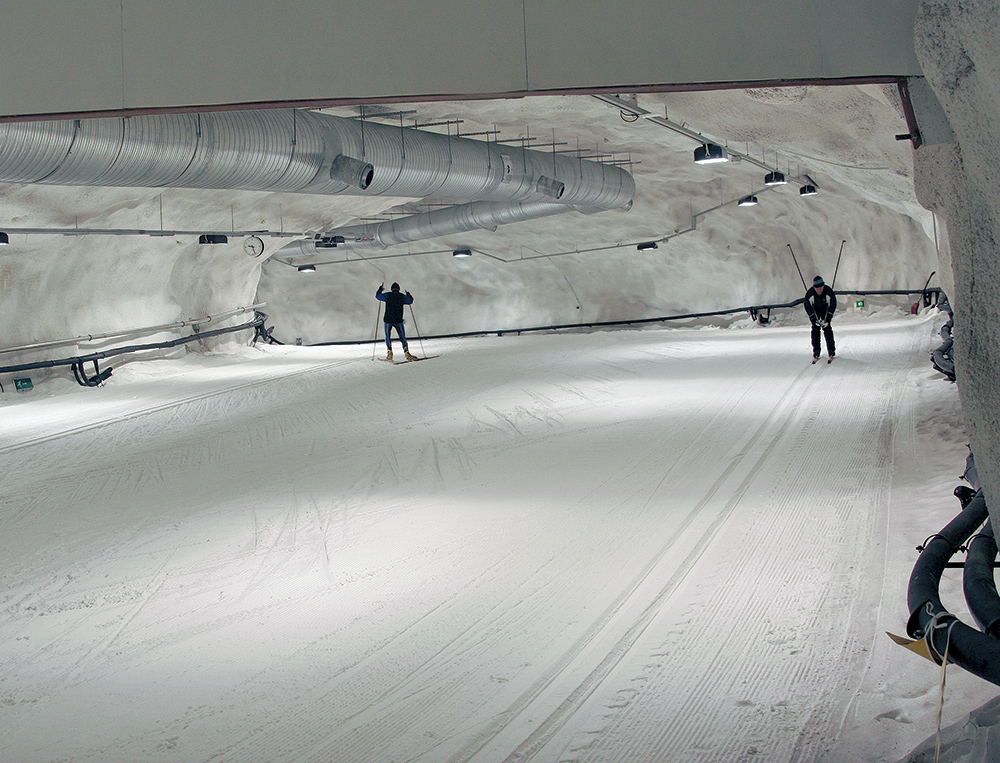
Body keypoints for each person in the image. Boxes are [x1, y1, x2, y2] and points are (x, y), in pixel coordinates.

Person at [376, 282, 415, 361]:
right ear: (399, 289)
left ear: (391, 289)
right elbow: (410, 301)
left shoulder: (387, 295)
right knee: (402, 337)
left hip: (388, 320)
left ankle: (389, 353)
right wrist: (408, 294)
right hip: (398, 320)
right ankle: (407, 353)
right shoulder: (402, 296)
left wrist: (380, 289)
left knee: (388, 336)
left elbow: (378, 296)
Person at [804, 275, 837, 362]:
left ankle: (831, 352)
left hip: (825, 313)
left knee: (828, 330)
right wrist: (814, 320)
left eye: (821, 287)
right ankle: (816, 352)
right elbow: (808, 307)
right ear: (814, 287)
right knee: (815, 331)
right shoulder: (810, 294)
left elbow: (833, 305)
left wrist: (828, 319)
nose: (819, 289)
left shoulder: (828, 292)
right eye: (817, 287)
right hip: (816, 314)